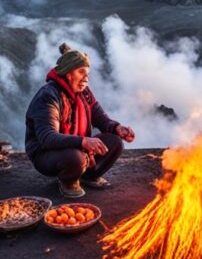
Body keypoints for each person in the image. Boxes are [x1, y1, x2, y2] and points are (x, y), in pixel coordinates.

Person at [25, 44, 135, 198]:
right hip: (46, 154)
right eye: (81, 72)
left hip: (75, 148)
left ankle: (88, 176)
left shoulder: (84, 93)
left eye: (87, 73)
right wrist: (83, 142)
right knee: (76, 157)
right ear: (68, 73)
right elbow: (47, 138)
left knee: (115, 143)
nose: (86, 78)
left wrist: (117, 128)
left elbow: (100, 117)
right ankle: (68, 181)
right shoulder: (49, 96)